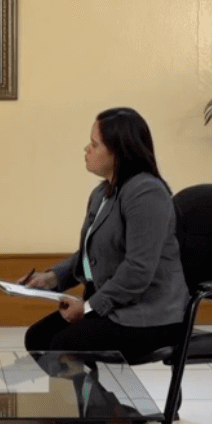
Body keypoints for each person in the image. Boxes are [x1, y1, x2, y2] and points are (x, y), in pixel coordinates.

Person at [19, 108, 190, 363]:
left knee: (65, 345)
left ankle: (95, 401)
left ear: (118, 151)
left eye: (94, 144)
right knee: (38, 339)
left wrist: (88, 307)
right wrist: (50, 278)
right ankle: (99, 402)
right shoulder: (103, 193)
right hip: (115, 306)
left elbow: (138, 269)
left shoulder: (146, 193)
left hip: (150, 315)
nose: (86, 149)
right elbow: (90, 254)